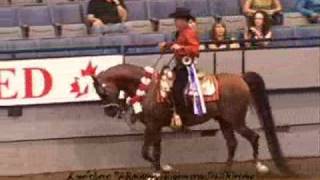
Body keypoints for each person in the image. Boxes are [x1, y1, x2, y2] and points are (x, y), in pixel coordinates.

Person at [159, 8, 200, 120]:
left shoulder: (189, 33)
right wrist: (167, 45)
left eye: (176, 20)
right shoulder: (181, 33)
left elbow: (195, 49)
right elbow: (177, 44)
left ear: (183, 21)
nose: (175, 22)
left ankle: (184, 116)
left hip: (186, 68)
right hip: (179, 66)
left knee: (178, 90)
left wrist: (181, 47)